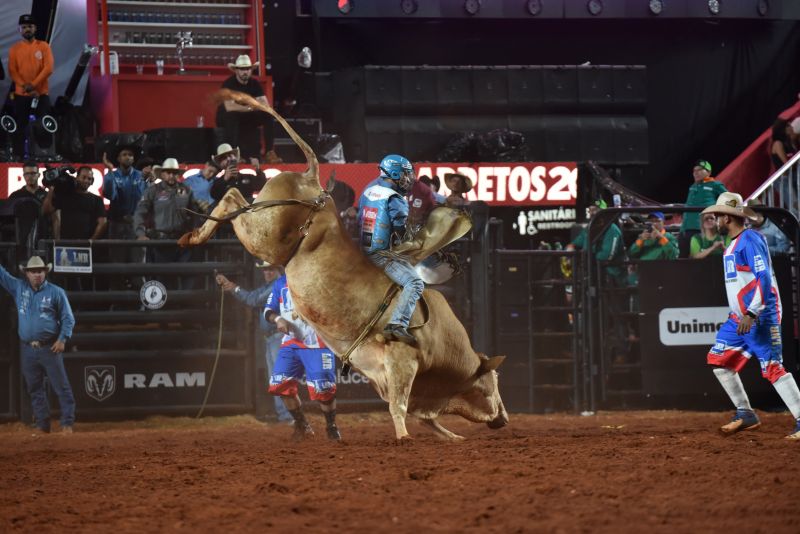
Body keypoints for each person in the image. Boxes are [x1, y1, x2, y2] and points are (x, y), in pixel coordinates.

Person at [701, 192, 800, 440]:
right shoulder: (737, 243)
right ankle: (745, 413)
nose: (715, 219)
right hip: (741, 317)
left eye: (718, 215)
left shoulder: (749, 239)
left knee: (773, 367)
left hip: (759, 315)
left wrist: (752, 312)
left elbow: (763, 276)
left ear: (728, 217)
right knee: (719, 361)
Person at [0, 256, 75, 434]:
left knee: (61, 386)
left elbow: (68, 318)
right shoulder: (19, 288)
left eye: (40, 271)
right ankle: (42, 424)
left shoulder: (56, 292)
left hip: (50, 347)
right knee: (34, 387)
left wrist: (62, 339)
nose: (37, 275)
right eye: (33, 271)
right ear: (27, 273)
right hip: (28, 348)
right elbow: (2, 275)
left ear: (45, 273)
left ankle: (67, 423)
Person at [264, 274, 341, 441]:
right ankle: (302, 425)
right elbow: (268, 310)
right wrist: (278, 319)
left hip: (317, 342)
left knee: (324, 389)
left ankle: (331, 426)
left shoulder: (317, 276)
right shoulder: (280, 283)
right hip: (291, 342)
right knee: (279, 384)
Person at [358, 154, 424, 345]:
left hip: (362, 250)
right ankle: (397, 324)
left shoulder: (369, 189)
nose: (409, 179)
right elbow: (403, 232)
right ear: (394, 173)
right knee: (415, 282)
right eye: (405, 174)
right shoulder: (395, 198)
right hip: (380, 255)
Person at [215, 261, 292, 423]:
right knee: (277, 378)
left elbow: (253, 300)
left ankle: (288, 416)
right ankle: (285, 416)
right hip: (272, 338)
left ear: (278, 270)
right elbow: (252, 298)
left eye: (270, 269)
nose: (267, 273)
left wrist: (232, 287)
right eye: (265, 270)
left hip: (278, 337)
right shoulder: (270, 286)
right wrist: (231, 286)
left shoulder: (277, 286)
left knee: (279, 377)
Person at [134, 158, 203, 262]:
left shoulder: (186, 190)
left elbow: (195, 214)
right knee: (161, 275)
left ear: (178, 174)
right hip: (159, 242)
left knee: (185, 274)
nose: (171, 175)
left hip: (182, 241)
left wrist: (194, 232)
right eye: (168, 172)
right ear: (162, 174)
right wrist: (140, 234)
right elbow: (140, 213)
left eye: (174, 172)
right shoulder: (152, 191)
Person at [8, 14, 54, 157]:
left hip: (41, 94)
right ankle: (18, 156)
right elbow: (12, 71)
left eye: (30, 26)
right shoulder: (14, 49)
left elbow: (48, 68)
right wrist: (24, 86)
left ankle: (45, 155)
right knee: (20, 127)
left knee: (44, 125)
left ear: (35, 28)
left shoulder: (43, 46)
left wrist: (33, 85)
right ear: (19, 29)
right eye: (24, 27)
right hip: (21, 95)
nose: (27, 29)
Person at [216, 55, 278, 162]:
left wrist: (254, 107)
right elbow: (230, 106)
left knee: (268, 114)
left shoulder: (255, 84)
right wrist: (252, 107)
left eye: (248, 69)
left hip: (247, 116)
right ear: (236, 71)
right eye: (242, 69)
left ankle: (269, 152)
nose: (245, 72)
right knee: (232, 115)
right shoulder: (228, 84)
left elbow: (265, 105)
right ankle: (234, 154)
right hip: (227, 117)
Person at [678, 160, 727, 258]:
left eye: (700, 170)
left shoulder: (715, 185)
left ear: (708, 172)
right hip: (685, 229)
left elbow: (730, 199)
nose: (696, 172)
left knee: (698, 259)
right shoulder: (693, 186)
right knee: (682, 259)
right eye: (694, 171)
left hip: (700, 229)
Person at [42, 166, 107, 240]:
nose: (86, 181)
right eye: (83, 177)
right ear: (77, 178)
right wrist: (52, 187)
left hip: (87, 245)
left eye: (89, 179)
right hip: (65, 244)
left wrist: (91, 241)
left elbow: (103, 223)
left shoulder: (97, 200)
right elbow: (46, 210)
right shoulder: (65, 196)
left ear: (92, 181)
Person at [102, 146, 148, 241]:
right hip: (117, 224)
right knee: (117, 255)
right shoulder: (111, 175)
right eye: (124, 155)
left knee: (137, 255)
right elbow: (110, 195)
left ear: (133, 158)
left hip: (136, 224)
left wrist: (149, 180)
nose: (128, 157)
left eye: (130, 155)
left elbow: (146, 199)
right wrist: (110, 170)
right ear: (118, 158)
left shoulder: (141, 176)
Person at [9, 160, 53, 240]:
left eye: (33, 173)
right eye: (27, 174)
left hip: (43, 239)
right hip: (20, 240)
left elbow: (52, 219)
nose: (30, 176)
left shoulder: (47, 195)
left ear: (39, 175)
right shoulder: (15, 196)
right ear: (23, 175)